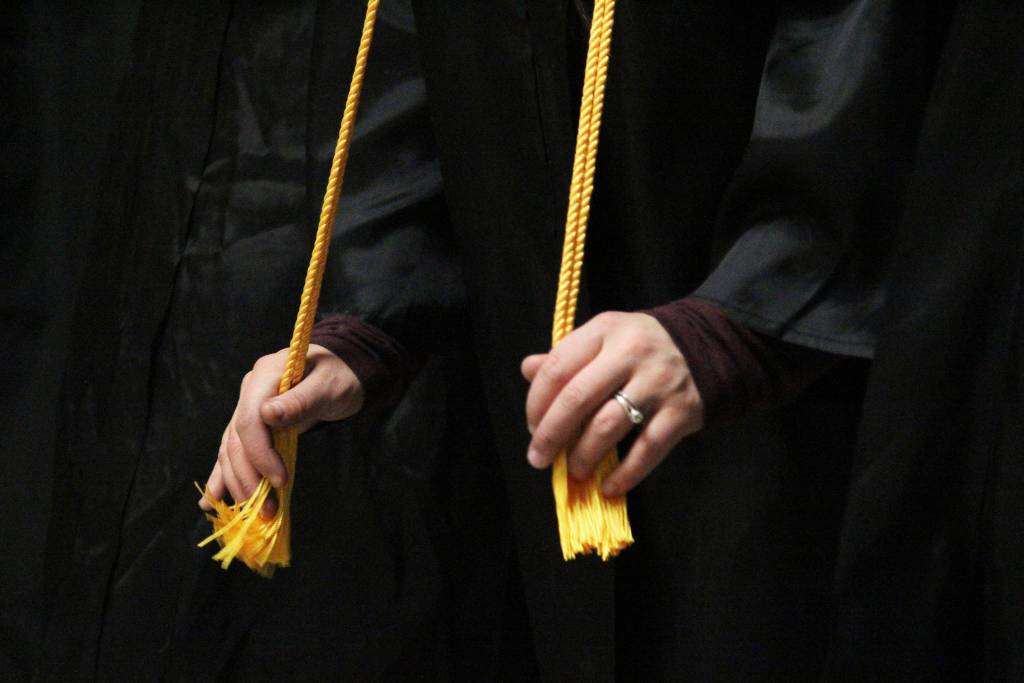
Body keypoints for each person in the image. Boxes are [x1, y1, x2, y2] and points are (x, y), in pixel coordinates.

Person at [202, 0, 960, 679]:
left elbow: (869, 53)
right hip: (550, 417)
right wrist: (361, 328)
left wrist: (740, 318)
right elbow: (436, 60)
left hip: (789, 393)